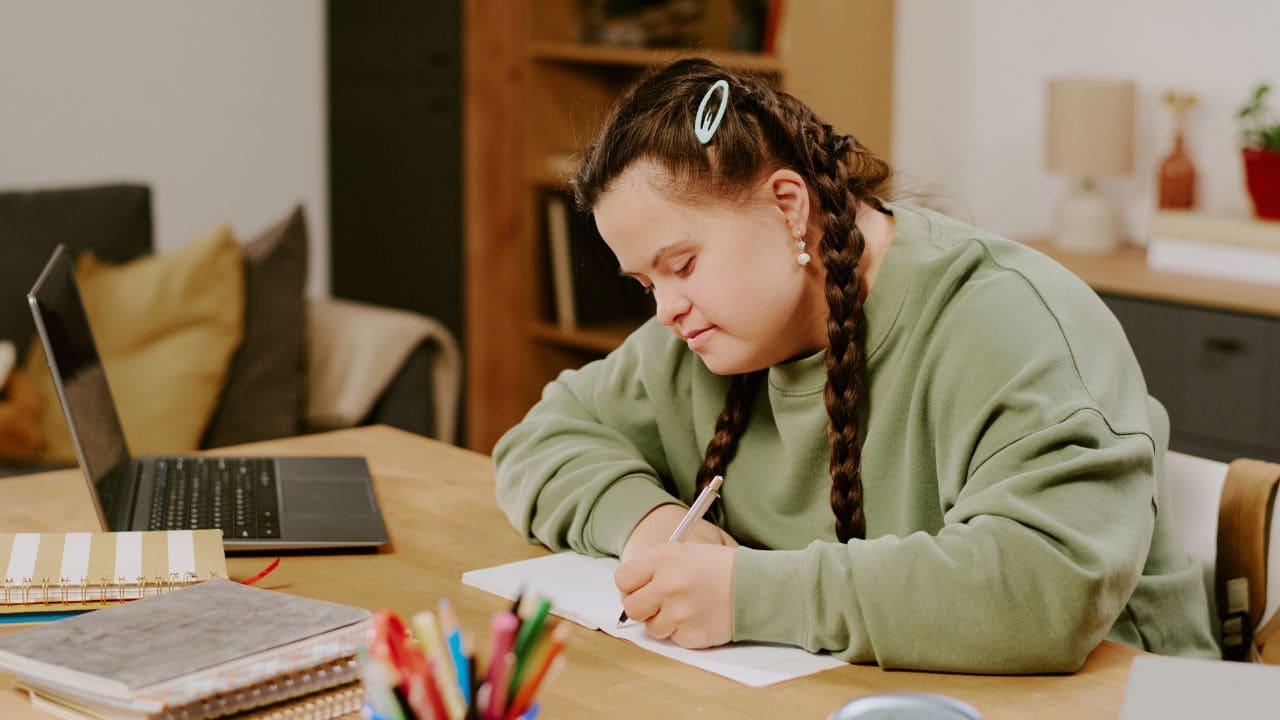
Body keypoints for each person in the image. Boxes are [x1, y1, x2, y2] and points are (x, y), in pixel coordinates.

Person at [493, 57, 1218, 673]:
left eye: (681, 264)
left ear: (788, 205)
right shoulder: (709, 329)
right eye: (647, 284)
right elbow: (543, 438)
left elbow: (1045, 584)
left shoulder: (1008, 322)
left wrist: (748, 593)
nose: (667, 310)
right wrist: (647, 523)